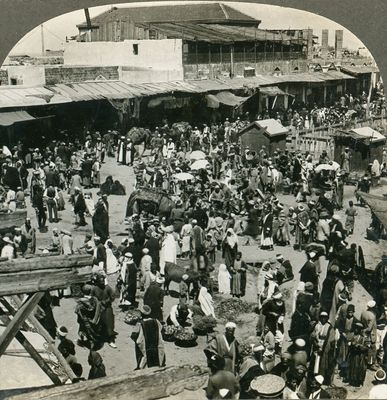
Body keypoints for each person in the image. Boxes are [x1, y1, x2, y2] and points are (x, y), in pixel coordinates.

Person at [131, 304, 166, 369]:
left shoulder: (140, 323)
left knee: (144, 356)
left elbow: (134, 335)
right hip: (156, 346)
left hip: (145, 347)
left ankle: (141, 367)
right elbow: (162, 330)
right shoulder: (156, 321)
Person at [310, 311, 336, 385]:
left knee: (323, 363)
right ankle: (314, 377)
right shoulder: (317, 325)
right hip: (317, 345)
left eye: (325, 318)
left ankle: (322, 378)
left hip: (325, 346)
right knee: (315, 362)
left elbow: (331, 339)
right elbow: (313, 335)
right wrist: (316, 343)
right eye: (322, 317)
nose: (323, 319)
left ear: (327, 318)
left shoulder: (329, 327)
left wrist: (325, 348)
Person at [91, 272, 117, 348]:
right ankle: (100, 339)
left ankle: (111, 340)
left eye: (103, 280)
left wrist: (105, 302)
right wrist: (96, 304)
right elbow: (92, 298)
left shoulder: (108, 288)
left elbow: (113, 296)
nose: (102, 282)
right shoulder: (94, 288)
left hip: (107, 308)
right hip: (98, 309)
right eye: (100, 281)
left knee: (109, 324)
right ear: (98, 281)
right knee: (98, 324)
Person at [347, 322, 369, 387]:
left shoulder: (363, 337)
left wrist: (359, 346)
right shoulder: (353, 335)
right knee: (352, 367)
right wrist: (351, 344)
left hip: (360, 356)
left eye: (358, 329)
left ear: (360, 330)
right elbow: (349, 343)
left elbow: (366, 347)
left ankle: (358, 382)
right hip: (353, 354)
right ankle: (351, 381)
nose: (356, 330)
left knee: (358, 368)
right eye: (355, 328)